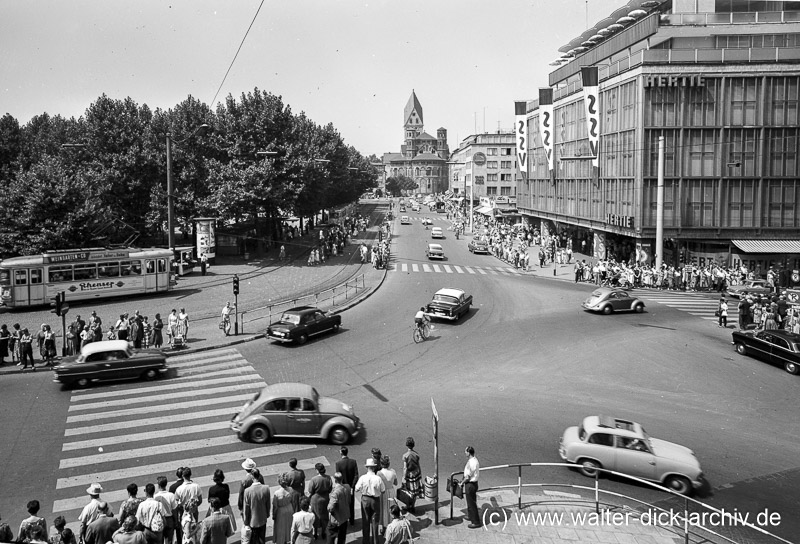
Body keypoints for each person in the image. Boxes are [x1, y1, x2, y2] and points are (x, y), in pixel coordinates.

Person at [355, 458, 385, 544]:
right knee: (375, 521)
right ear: (374, 468)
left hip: (365, 499)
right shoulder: (378, 478)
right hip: (375, 500)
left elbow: (357, 489)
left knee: (366, 520)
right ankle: (375, 541)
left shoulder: (363, 478)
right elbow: (383, 490)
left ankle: (366, 541)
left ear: (367, 467)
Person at [243, 469, 270, 544]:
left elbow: (246, 508)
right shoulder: (266, 488)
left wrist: (246, 522)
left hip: (253, 521)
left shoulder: (247, 491)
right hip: (263, 518)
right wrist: (267, 514)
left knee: (254, 540)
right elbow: (268, 504)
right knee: (262, 539)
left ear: (252, 476)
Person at [334, 447, 358, 525]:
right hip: (350, 486)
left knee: (343, 503)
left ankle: (344, 519)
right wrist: (352, 486)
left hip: (343, 486)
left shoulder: (338, 464)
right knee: (351, 504)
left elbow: (338, 476)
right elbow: (356, 475)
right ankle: (352, 520)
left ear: (341, 453)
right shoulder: (353, 462)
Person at [307, 463, 332, 540]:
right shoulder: (328, 478)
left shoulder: (314, 479)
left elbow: (310, 490)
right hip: (325, 499)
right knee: (324, 516)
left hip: (315, 499)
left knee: (316, 515)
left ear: (317, 470)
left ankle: (315, 532)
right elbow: (330, 489)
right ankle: (324, 532)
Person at [326, 472, 351, 544]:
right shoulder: (347, 487)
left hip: (336, 519)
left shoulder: (335, 492)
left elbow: (330, 508)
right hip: (345, 515)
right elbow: (349, 500)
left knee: (331, 535)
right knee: (342, 536)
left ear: (335, 480)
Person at [154, 476, 178, 544]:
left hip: (160, 520)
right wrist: (176, 521)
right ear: (166, 484)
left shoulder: (155, 496)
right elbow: (174, 510)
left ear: (158, 485)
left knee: (160, 540)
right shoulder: (171, 495)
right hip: (169, 520)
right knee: (169, 541)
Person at [271, 474, 294, 544]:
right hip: (290, 509)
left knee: (280, 528)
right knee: (289, 526)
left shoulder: (277, 493)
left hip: (281, 512)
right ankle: (289, 539)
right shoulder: (291, 489)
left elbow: (275, 506)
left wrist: (274, 515)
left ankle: (281, 541)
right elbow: (292, 500)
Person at [401, 437, 422, 514]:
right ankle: (412, 506)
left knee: (408, 491)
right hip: (416, 474)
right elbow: (418, 465)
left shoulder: (405, 456)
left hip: (409, 475)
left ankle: (407, 506)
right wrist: (420, 474)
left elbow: (405, 468)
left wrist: (403, 477)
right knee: (415, 492)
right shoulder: (416, 454)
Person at [463, 446, 481, 528]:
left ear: (469, 453)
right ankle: (470, 516)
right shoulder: (473, 460)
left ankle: (476, 521)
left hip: (470, 484)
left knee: (472, 503)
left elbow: (468, 477)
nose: (465, 453)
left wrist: (461, 483)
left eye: (465, 451)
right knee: (470, 502)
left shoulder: (472, 463)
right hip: (471, 484)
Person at [378, 456, 398, 533]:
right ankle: (391, 526)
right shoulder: (393, 471)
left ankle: (384, 527)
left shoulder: (379, 473)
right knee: (391, 508)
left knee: (384, 509)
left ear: (381, 464)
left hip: (383, 493)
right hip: (391, 491)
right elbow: (396, 483)